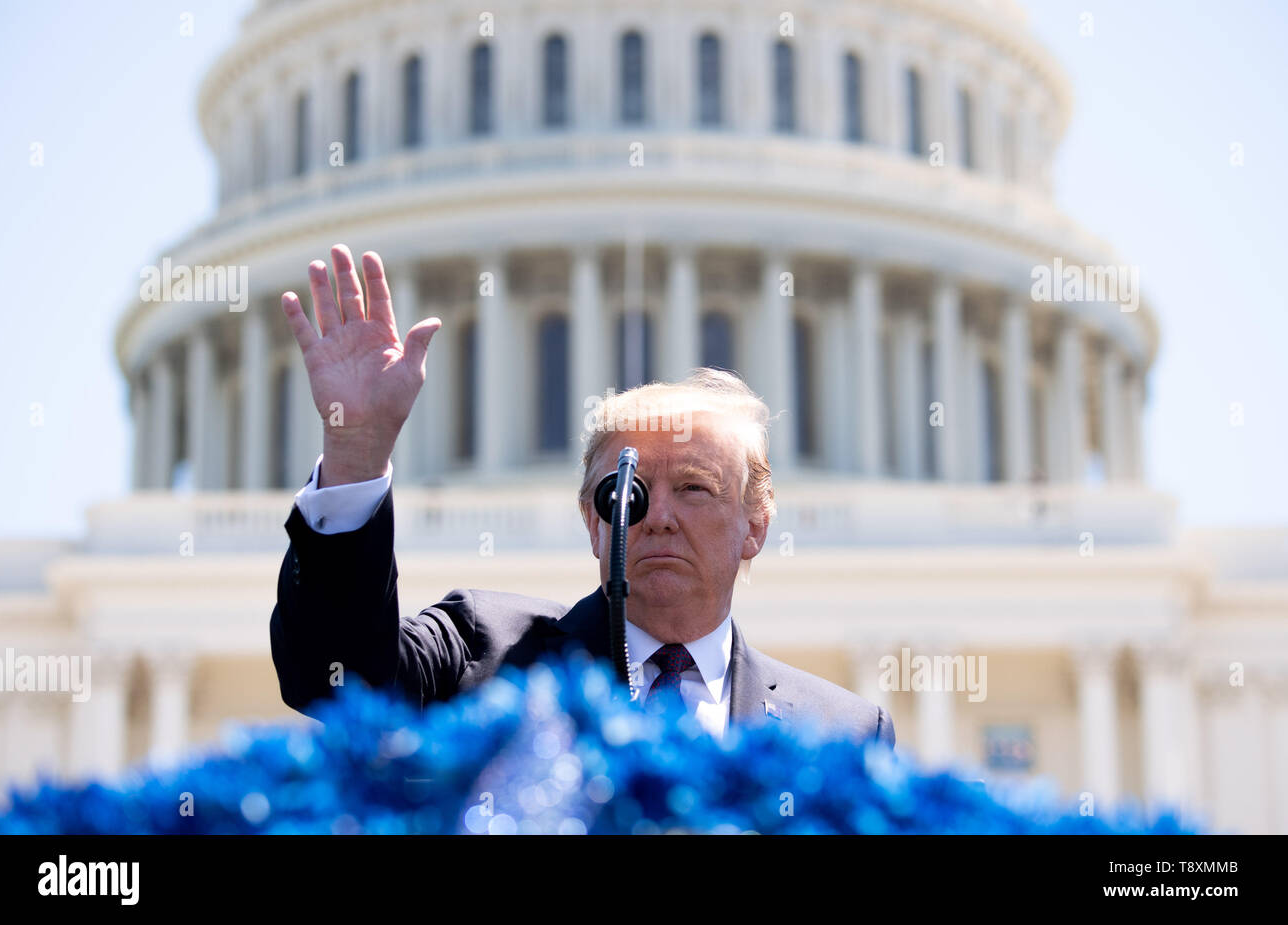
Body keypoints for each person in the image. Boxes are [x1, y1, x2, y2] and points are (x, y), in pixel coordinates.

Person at [269, 244, 895, 747]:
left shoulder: (840, 735)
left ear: (755, 524)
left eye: (695, 488)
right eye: (626, 492)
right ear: (593, 522)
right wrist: (356, 453)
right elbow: (338, 680)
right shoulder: (483, 657)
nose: (657, 518)